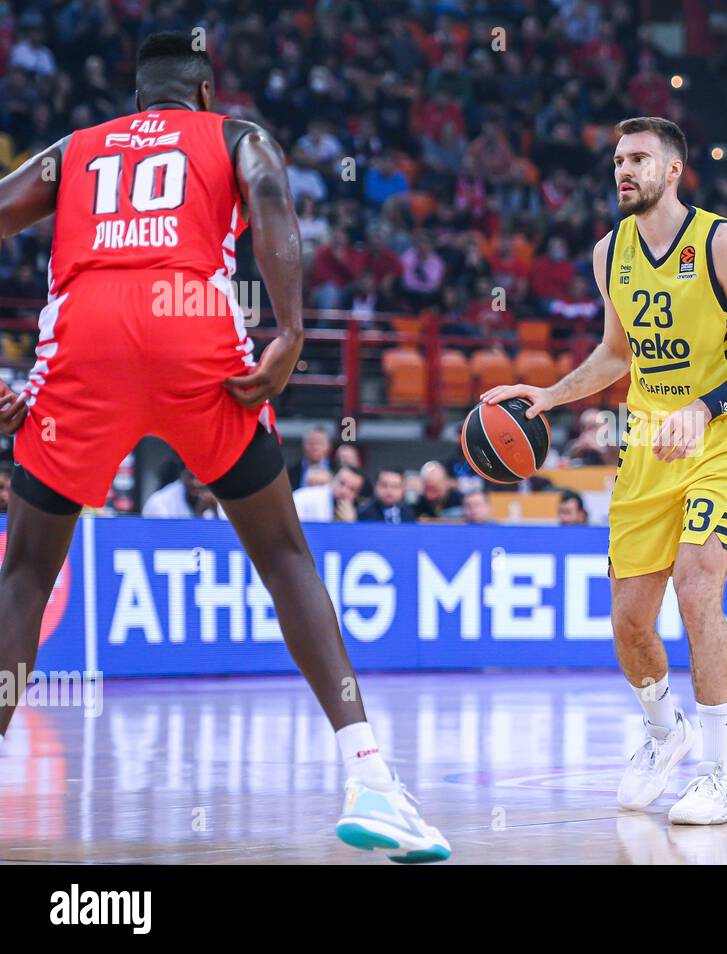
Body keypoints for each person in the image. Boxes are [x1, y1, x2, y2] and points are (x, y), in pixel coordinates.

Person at [0, 34, 448, 862]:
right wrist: (291, 330)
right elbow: (272, 192)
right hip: (189, 322)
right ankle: (371, 779)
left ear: (137, 99)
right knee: (284, 558)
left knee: (26, 572)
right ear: (204, 93)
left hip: (87, 326)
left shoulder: (77, 149)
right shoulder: (234, 134)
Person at [483, 116, 727, 825]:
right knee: (628, 623)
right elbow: (617, 355)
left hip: (723, 438)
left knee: (696, 585)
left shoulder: (722, 243)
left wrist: (708, 407)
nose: (624, 169)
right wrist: (549, 396)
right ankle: (664, 732)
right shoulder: (609, 252)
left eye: (640, 159)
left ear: (674, 170)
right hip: (647, 443)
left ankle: (719, 777)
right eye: (618, 159)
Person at [293, 465, 365, 523]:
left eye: (352, 489)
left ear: (356, 495)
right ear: (333, 481)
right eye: (342, 483)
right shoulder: (304, 497)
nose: (344, 491)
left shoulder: (356, 512)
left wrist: (351, 525)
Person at [141, 468, 221, 519]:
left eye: (201, 477)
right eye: (191, 476)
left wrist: (215, 512)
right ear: (182, 475)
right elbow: (166, 542)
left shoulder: (217, 498)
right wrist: (197, 516)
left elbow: (225, 539)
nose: (196, 483)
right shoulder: (160, 503)